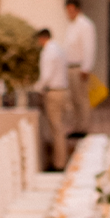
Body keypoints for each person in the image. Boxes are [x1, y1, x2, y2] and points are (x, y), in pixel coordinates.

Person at [34, 28, 69, 170]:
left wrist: (37, 88)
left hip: (53, 92)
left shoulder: (48, 52)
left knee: (56, 128)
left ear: (42, 38)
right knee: (58, 127)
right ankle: (59, 161)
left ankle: (59, 163)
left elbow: (46, 76)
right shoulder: (58, 49)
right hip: (62, 91)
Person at [63, 0, 96, 138]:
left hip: (79, 67)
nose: (69, 13)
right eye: (67, 11)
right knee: (74, 99)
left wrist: (86, 67)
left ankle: (83, 127)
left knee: (81, 99)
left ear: (78, 10)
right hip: (70, 66)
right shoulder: (71, 25)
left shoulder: (85, 24)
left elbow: (89, 47)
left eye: (71, 10)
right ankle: (77, 126)